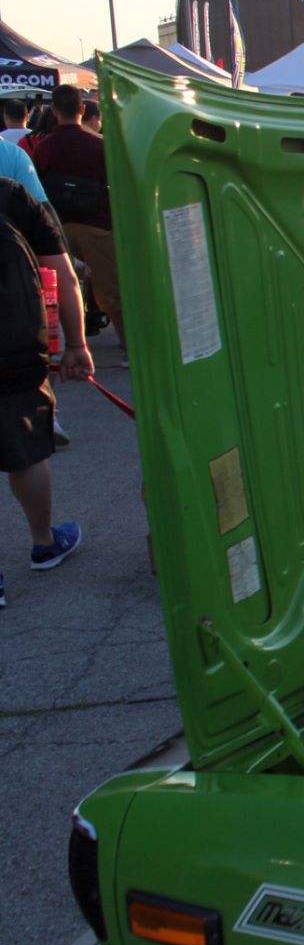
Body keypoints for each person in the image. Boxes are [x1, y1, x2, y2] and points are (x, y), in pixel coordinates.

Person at [0, 175, 91, 608]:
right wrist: (76, 345)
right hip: (15, 349)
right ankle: (43, 542)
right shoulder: (10, 195)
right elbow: (63, 275)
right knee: (26, 450)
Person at [29, 85, 121, 353]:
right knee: (110, 292)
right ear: (82, 108)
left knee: (62, 289)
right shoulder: (99, 145)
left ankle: (68, 343)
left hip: (58, 228)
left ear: (54, 111)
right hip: (98, 225)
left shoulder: (44, 147)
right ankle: (128, 346)